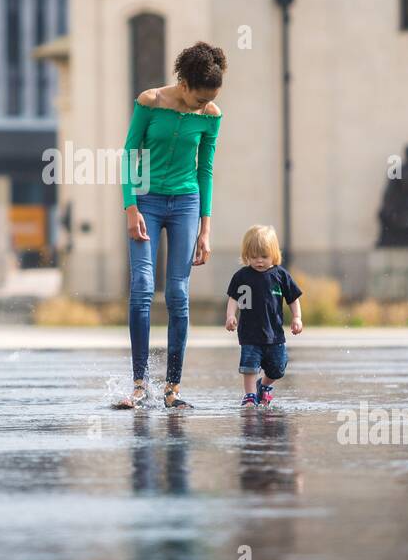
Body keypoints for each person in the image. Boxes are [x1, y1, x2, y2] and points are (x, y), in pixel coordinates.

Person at [115, 42, 226, 409]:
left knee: (178, 293)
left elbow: (205, 170)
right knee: (143, 285)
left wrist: (205, 228)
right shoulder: (150, 101)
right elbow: (130, 153)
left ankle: (173, 388)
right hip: (146, 200)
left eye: (209, 99)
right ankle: (139, 383)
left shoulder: (211, 115)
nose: (202, 106)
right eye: (198, 98)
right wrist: (131, 208)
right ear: (184, 83)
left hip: (186, 203)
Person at [225, 225, 303, 408]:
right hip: (249, 333)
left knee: (278, 367)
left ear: (274, 254)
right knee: (249, 366)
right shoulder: (241, 276)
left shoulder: (280, 275)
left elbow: (293, 299)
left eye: (264, 257)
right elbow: (233, 298)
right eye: (253, 257)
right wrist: (230, 316)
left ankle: (265, 386)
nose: (259, 261)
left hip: (274, 333)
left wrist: (297, 317)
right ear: (246, 255)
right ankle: (250, 396)